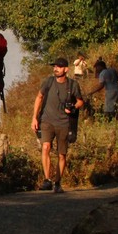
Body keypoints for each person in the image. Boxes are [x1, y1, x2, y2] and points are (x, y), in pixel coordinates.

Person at [31, 57, 85, 193]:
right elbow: (39, 97)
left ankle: (58, 182)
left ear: (66, 69)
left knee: (62, 154)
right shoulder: (48, 82)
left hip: (64, 123)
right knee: (45, 147)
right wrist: (34, 118)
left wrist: (73, 107)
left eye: (59, 67)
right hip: (47, 120)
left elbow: (80, 101)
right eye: (54, 66)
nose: (56, 69)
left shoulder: (72, 85)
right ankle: (47, 179)